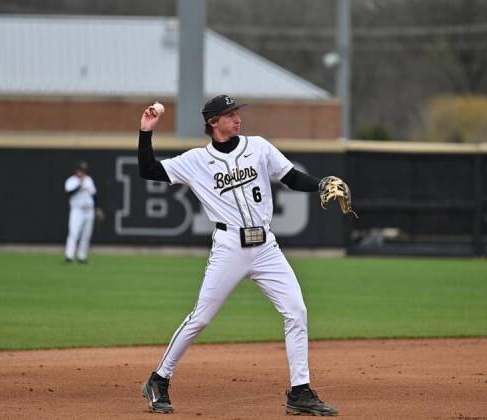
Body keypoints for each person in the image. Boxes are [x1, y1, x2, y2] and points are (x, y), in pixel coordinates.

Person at [138, 95, 343, 416]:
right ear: (213, 122)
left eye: (237, 113)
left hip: (266, 248)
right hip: (229, 247)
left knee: (296, 311)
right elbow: (149, 170)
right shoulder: (195, 160)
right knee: (201, 318)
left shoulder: (259, 147)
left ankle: (300, 392)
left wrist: (320, 185)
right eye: (230, 115)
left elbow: (290, 176)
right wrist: (146, 131)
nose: (237, 119)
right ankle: (158, 379)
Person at [64, 160, 97, 263]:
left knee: (86, 235)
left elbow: (94, 194)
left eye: (83, 170)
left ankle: (82, 256)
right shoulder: (71, 180)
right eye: (80, 170)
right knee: (74, 233)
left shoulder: (89, 180)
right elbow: (69, 192)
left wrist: (97, 208)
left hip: (89, 210)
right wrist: (79, 186)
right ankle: (69, 256)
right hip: (77, 210)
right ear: (76, 170)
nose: (82, 172)